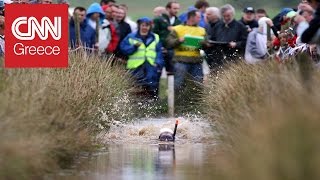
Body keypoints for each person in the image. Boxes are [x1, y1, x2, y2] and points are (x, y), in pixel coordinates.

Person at [120, 17, 164, 99]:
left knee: (152, 86)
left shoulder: (155, 37)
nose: (144, 27)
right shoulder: (131, 37)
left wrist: (158, 63)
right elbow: (123, 49)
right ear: (139, 26)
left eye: (147, 25)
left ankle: (152, 106)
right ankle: (135, 106)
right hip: (135, 67)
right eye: (143, 25)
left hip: (151, 66)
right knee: (134, 86)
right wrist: (133, 47)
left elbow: (159, 52)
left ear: (150, 26)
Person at [166, 10, 206, 91]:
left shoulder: (202, 30)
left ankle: (195, 103)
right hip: (181, 61)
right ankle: (177, 102)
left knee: (198, 85)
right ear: (191, 17)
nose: (200, 19)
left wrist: (204, 43)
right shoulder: (177, 29)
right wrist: (178, 40)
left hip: (196, 62)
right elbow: (168, 43)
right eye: (198, 17)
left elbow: (207, 44)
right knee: (178, 85)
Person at [152, 1, 181, 74]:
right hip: (160, 50)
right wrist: (160, 47)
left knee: (172, 73)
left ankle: (171, 86)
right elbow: (154, 35)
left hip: (173, 51)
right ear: (168, 8)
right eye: (174, 8)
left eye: (178, 8)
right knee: (157, 72)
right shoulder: (158, 20)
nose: (176, 10)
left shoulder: (179, 21)